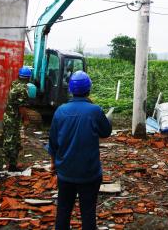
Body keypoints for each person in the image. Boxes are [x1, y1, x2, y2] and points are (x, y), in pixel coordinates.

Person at [47, 71, 113, 230]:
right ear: (88, 89)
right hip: (89, 173)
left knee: (63, 211)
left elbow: (53, 143)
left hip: (65, 173)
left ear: (71, 89)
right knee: (88, 213)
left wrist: (53, 165)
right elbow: (106, 132)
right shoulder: (95, 111)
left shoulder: (60, 111)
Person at [0, 66, 31, 177]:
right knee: (8, 144)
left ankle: (12, 166)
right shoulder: (23, 89)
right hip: (12, 120)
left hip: (9, 117)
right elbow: (21, 107)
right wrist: (26, 119)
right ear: (28, 78)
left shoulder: (15, 83)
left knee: (16, 142)